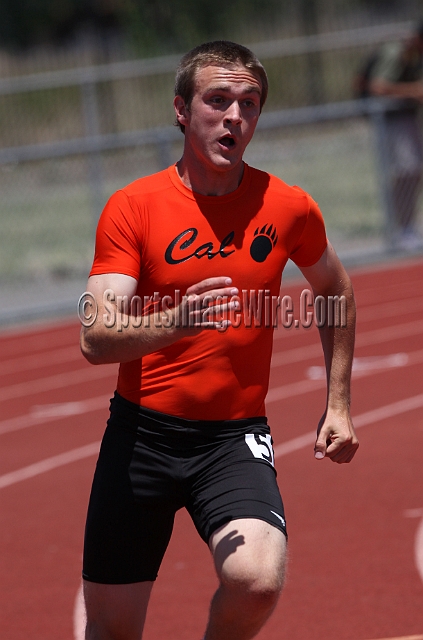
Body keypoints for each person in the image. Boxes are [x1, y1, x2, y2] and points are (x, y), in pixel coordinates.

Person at [79, 40, 359, 640]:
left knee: (257, 580)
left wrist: (338, 402)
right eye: (218, 100)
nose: (235, 115)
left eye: (249, 103)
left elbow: (335, 290)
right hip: (142, 436)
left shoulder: (288, 207)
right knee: (111, 629)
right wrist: (177, 322)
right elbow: (96, 337)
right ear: (182, 110)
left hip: (234, 437)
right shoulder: (133, 207)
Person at [367, 23, 423, 250]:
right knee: (406, 169)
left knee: (412, 170)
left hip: (405, 118)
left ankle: (406, 226)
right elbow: (377, 87)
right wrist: (413, 91)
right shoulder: (396, 51)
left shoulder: (413, 56)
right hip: (390, 119)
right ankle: (401, 228)